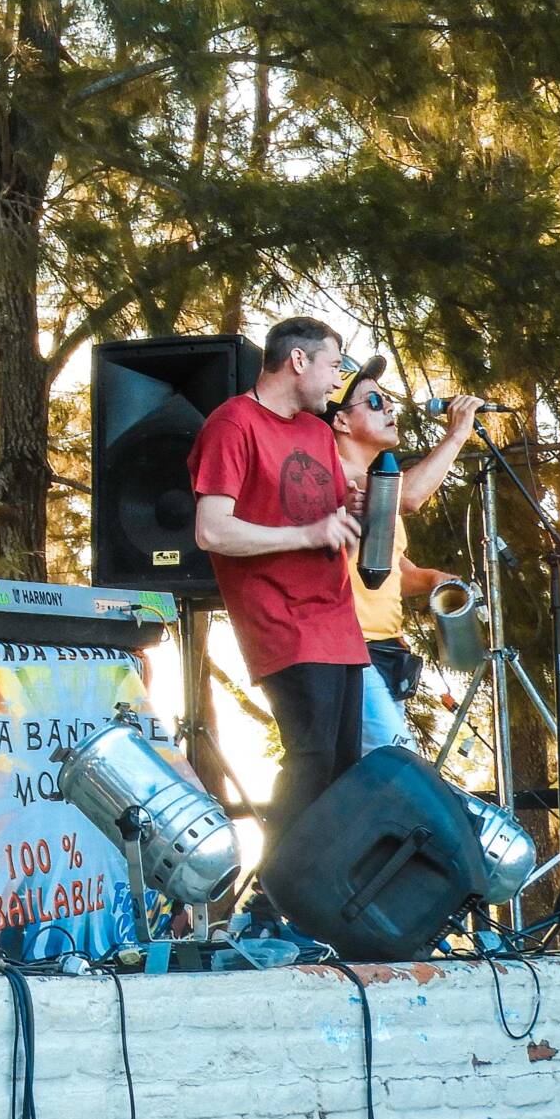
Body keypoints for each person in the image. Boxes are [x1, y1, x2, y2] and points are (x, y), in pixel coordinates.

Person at [188, 316, 366, 844]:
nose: (339, 380)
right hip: (280, 618)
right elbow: (212, 531)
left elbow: (324, 511)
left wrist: (349, 509)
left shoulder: (316, 431)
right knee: (309, 757)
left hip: (338, 620)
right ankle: (272, 893)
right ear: (298, 361)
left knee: (342, 768)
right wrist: (312, 533)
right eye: (334, 366)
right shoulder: (232, 424)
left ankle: (322, 898)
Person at [322, 359, 483, 750]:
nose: (390, 408)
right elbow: (410, 497)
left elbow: (392, 568)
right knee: (399, 763)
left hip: (386, 651)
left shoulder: (379, 480)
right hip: (349, 651)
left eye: (388, 399)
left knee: (372, 778)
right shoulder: (334, 471)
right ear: (341, 421)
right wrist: (458, 433)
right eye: (375, 401)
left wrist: (430, 580)